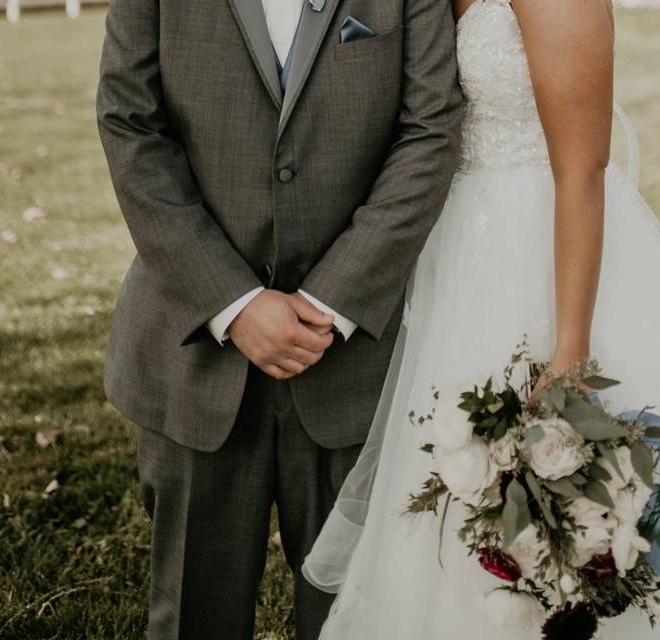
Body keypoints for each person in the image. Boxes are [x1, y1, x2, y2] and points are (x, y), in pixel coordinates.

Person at [304, 0, 660, 638]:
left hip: (543, 256)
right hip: (460, 258)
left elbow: (582, 169)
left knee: (581, 491)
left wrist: (570, 350)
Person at [95, 0, 462, 637]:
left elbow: (431, 131)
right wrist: (232, 304)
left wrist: (332, 298)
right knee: (192, 613)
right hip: (195, 354)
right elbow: (130, 125)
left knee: (354, 616)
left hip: (354, 364)